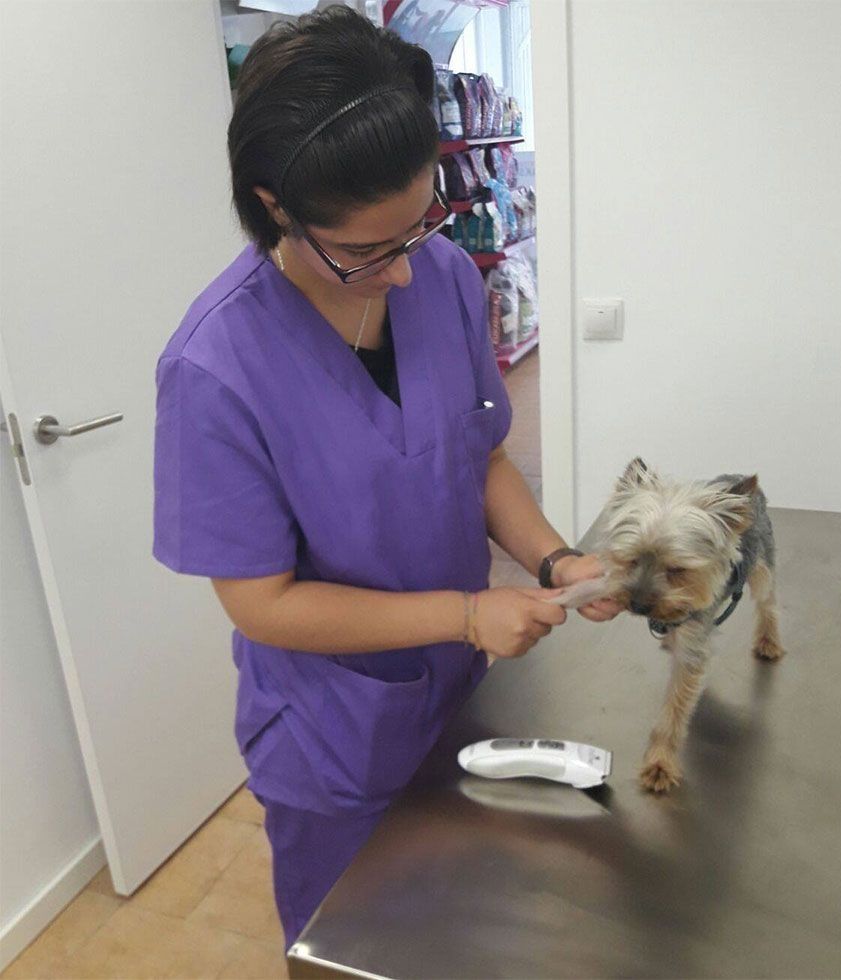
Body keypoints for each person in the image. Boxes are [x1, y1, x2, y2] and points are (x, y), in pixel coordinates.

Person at [152, 5, 621, 952]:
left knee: (461, 932)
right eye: (366, 250)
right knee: (360, 949)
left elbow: (480, 451)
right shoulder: (216, 370)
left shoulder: (443, 276)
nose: (404, 274)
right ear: (274, 205)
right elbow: (264, 604)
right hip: (333, 738)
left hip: (461, 698)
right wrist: (464, 611)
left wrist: (555, 559)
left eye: (418, 228)